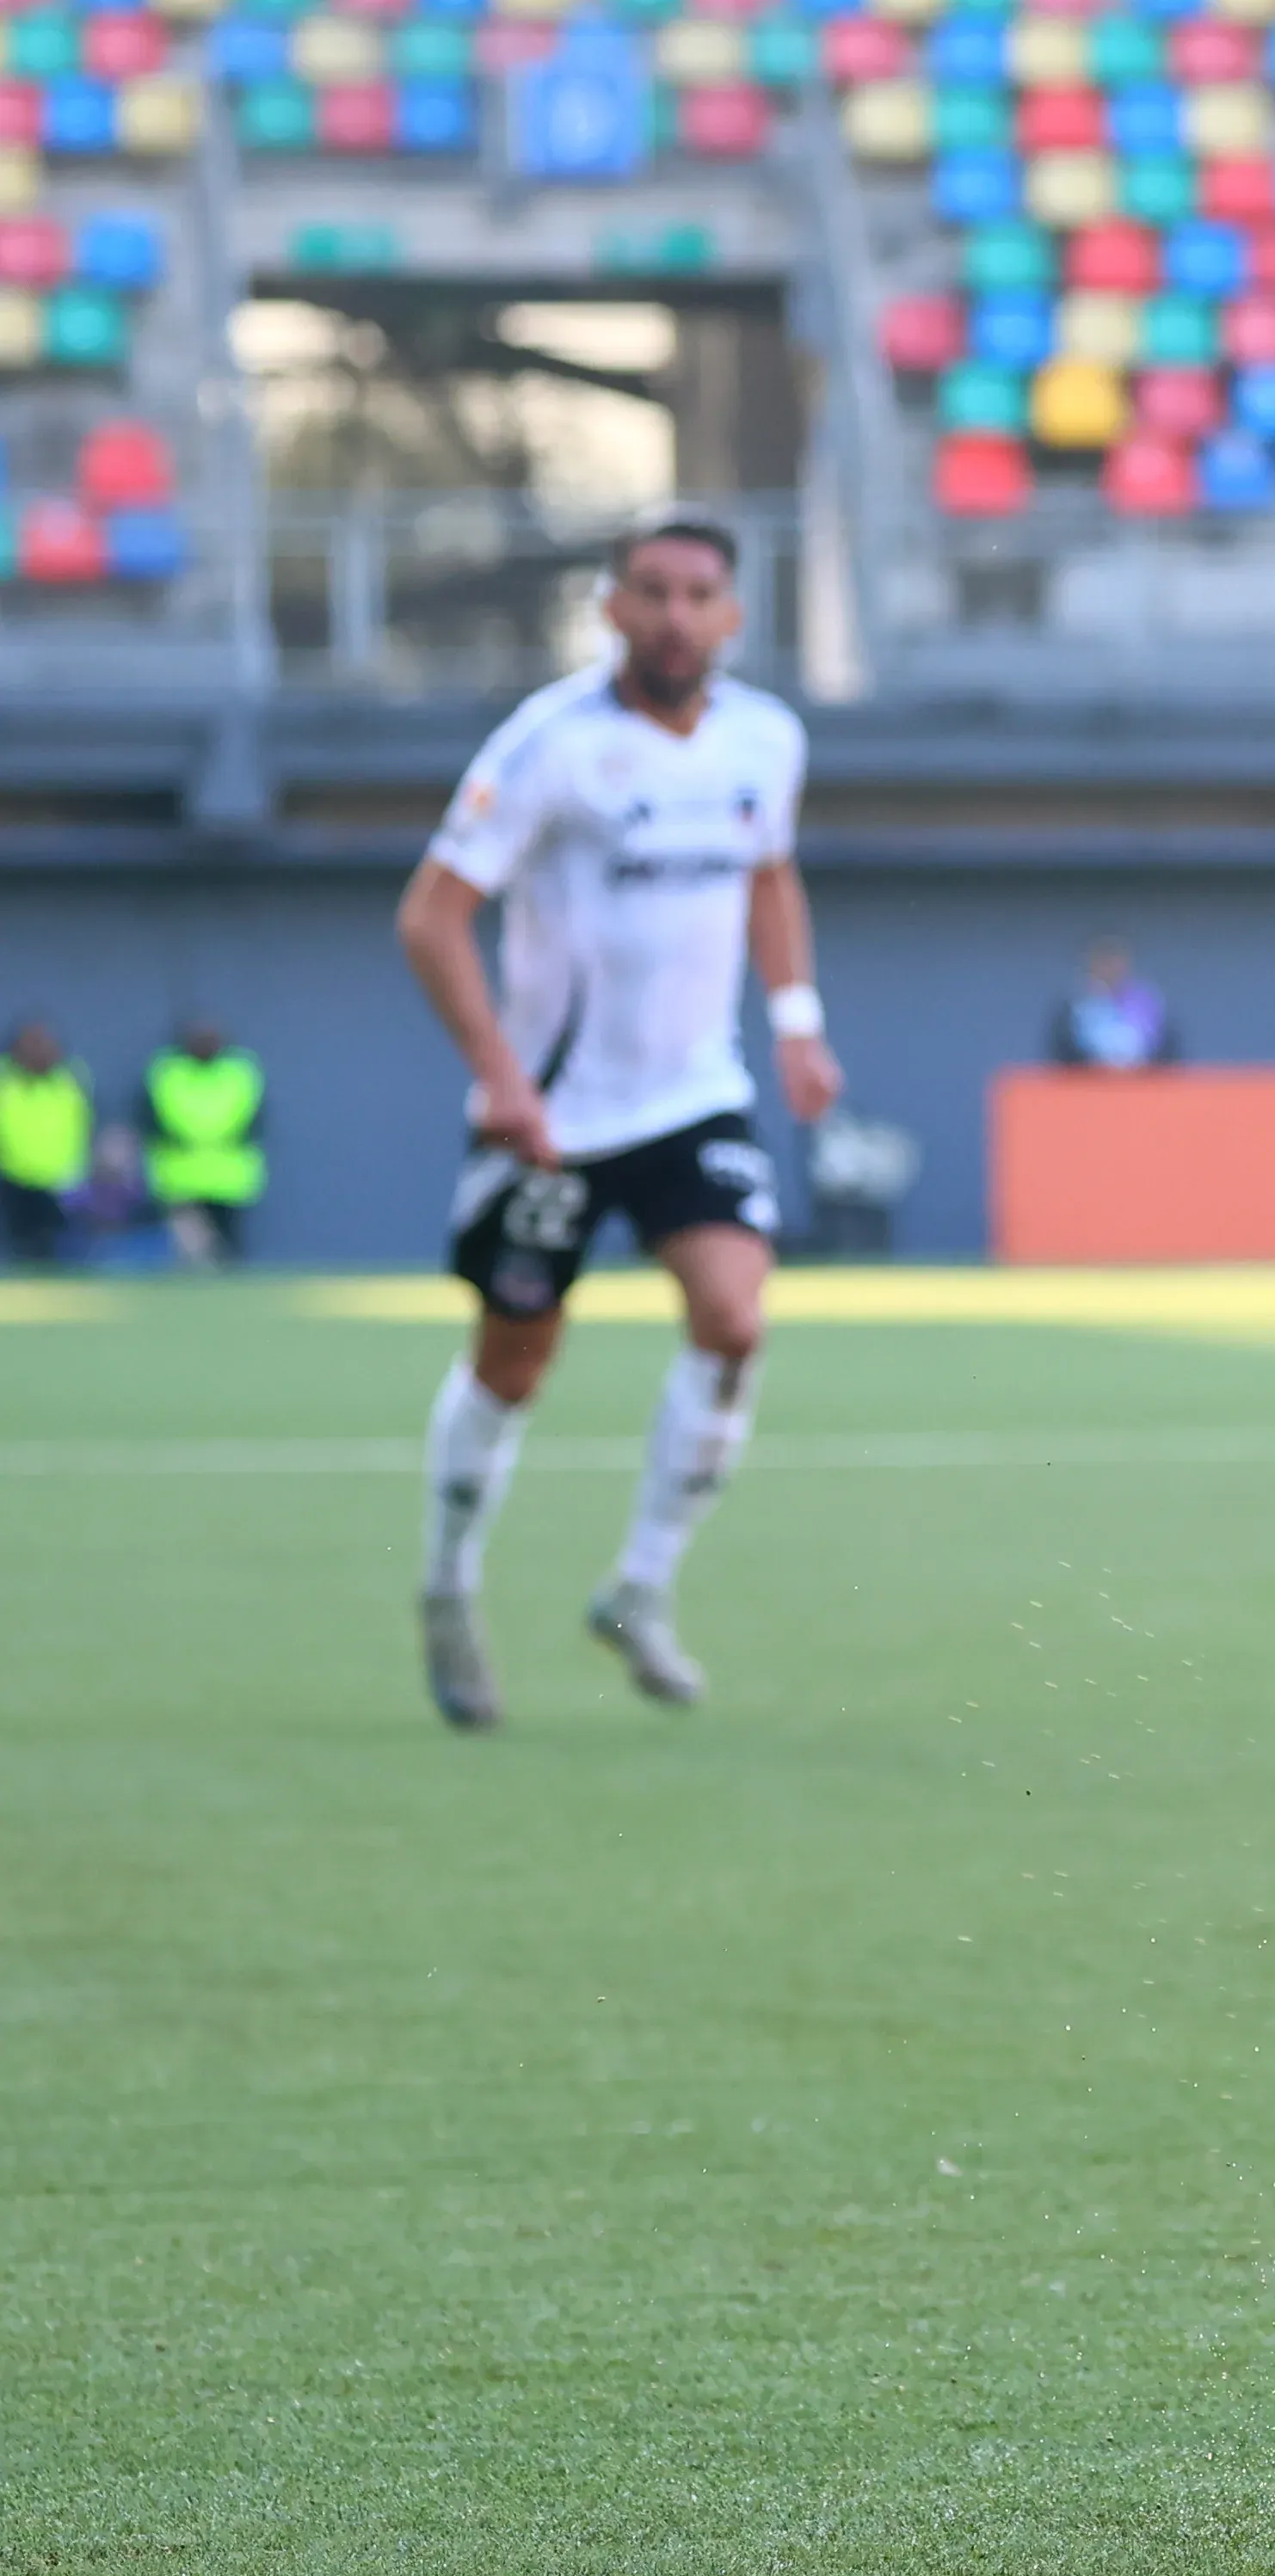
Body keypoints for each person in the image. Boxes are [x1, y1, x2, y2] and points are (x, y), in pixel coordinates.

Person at [393, 509, 835, 1730]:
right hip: (557, 1114)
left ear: (733, 615)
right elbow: (432, 915)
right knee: (517, 1357)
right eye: (653, 591)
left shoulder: (764, 740)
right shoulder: (551, 748)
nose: (677, 614)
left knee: (735, 1316)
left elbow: (769, 872)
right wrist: (502, 1077)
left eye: (700, 593)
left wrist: (796, 1021)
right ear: (612, 608)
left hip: (693, 1095)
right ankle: (447, 1583)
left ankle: (640, 1587)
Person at [142, 1017, 267, 1266]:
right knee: (188, 1256)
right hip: (179, 1179)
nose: (205, 1044)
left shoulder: (240, 1073)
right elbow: (151, 1120)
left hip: (230, 1181)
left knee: (228, 1254)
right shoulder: (167, 1072)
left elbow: (256, 1121)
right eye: (199, 1038)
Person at [0, 1016, 93, 1264]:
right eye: (33, 1044)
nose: (40, 1051)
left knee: (59, 1258)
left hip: (61, 1184)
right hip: (12, 1183)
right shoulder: (5, 1081)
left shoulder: (70, 1081)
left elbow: (84, 1127)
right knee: (18, 1257)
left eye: (45, 1043)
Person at [1046, 939, 1180, 1070]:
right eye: (1103, 961)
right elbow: (1063, 1057)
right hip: (1087, 1087)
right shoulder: (1073, 1007)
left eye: (1115, 959)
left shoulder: (1149, 1003)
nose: (1110, 968)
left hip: (1143, 1087)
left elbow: (1166, 1051)